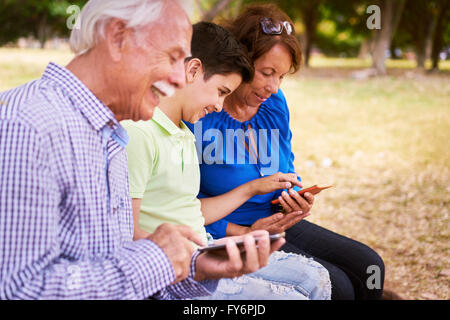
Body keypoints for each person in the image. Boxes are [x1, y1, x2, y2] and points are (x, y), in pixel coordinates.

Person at [0, 0, 282, 300]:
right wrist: (157, 258)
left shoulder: (111, 132)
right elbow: (17, 289)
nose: (177, 78)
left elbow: (111, 264)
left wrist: (195, 267)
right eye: (173, 57)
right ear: (118, 37)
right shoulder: (28, 126)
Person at [186, 3, 386, 300]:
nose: (273, 86)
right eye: (266, 72)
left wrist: (295, 199)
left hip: (278, 221)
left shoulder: (275, 104)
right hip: (231, 231)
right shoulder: (201, 111)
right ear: (241, 60)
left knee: (370, 266)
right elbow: (184, 204)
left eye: (281, 76)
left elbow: (286, 168)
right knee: (339, 286)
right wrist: (241, 231)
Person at [122, 21, 331, 300]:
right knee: (298, 294)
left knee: (316, 277)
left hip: (206, 247)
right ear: (193, 70)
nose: (219, 107)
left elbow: (189, 210)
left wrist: (252, 189)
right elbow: (125, 233)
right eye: (221, 91)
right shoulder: (140, 132)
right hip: (176, 272)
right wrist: (212, 253)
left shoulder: (183, 131)